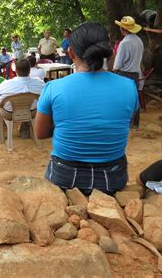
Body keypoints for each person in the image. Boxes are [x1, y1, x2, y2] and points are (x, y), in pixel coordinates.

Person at [35, 22, 138, 195]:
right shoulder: (129, 86)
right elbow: (125, 123)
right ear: (107, 51)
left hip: (65, 175)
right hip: (112, 177)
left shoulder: (53, 87)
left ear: (71, 52)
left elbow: (40, 133)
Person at [0, 58, 45, 139]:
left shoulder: (6, 84)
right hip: (32, 113)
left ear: (15, 70)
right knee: (28, 105)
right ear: (29, 69)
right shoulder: (40, 83)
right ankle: (25, 130)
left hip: (9, 114)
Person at [112, 16, 144, 127]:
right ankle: (135, 124)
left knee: (121, 98)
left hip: (124, 74)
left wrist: (113, 72)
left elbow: (117, 65)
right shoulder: (139, 41)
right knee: (134, 98)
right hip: (135, 74)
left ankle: (123, 122)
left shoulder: (124, 43)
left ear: (122, 29)